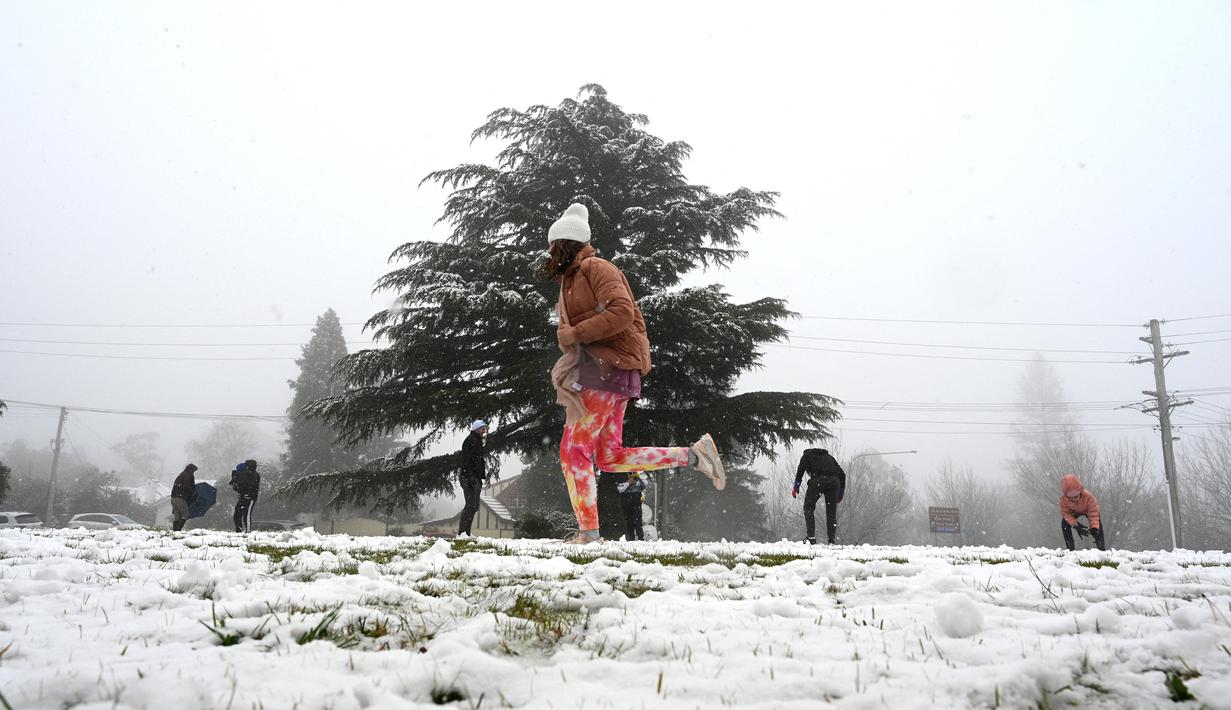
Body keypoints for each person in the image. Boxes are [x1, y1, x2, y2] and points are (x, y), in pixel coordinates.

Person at [543, 203, 725, 545]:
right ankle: (694, 454)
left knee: (573, 451)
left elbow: (623, 313)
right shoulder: (570, 279)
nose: (550, 253)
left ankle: (589, 533)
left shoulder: (596, 267)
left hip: (605, 371)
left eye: (554, 246)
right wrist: (568, 335)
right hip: (612, 372)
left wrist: (575, 333)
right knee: (609, 457)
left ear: (566, 243)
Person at [792, 448, 846, 544]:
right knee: (831, 512)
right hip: (834, 482)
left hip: (818, 481)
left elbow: (800, 470)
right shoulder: (829, 457)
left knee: (808, 507)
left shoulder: (806, 456)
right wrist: (840, 493)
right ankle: (831, 540)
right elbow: (842, 474)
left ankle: (811, 537)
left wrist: (796, 487)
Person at [1060, 473, 1105, 551]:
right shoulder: (1064, 500)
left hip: (1087, 510)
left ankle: (1101, 548)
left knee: (1098, 524)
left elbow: (1093, 513)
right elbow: (1066, 513)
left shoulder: (1089, 497)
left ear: (1081, 492)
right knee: (1064, 524)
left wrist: (1094, 527)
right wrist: (1075, 525)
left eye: (1076, 496)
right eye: (1071, 498)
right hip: (1073, 512)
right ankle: (1070, 549)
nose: (1075, 499)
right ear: (1066, 496)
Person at [458, 419, 487, 537]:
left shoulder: (477, 441)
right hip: (468, 477)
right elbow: (466, 460)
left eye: (484, 428)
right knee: (470, 505)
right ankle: (462, 533)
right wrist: (470, 477)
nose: (484, 431)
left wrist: (479, 478)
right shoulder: (470, 441)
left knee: (474, 506)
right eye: (482, 428)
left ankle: (467, 533)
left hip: (474, 477)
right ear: (476, 429)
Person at [230, 459, 261, 533]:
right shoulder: (245, 475)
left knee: (246, 515)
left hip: (250, 498)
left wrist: (247, 493)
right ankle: (239, 530)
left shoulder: (255, 475)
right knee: (237, 514)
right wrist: (236, 485)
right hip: (242, 497)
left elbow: (251, 485)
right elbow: (240, 487)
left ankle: (248, 531)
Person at [617, 472, 647, 541]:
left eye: (632, 476)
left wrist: (638, 478)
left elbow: (643, 487)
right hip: (626, 505)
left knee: (638, 523)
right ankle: (631, 539)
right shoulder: (623, 482)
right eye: (629, 476)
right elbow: (620, 489)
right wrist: (629, 484)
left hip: (636, 505)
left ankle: (641, 539)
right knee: (629, 523)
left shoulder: (638, 482)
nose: (631, 477)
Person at [170, 463, 198, 531]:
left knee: (177, 516)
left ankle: (175, 531)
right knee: (185, 514)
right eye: (194, 471)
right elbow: (187, 486)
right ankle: (178, 529)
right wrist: (192, 493)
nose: (194, 472)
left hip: (173, 498)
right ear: (191, 470)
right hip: (180, 498)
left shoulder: (182, 474)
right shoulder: (188, 475)